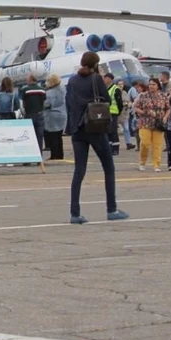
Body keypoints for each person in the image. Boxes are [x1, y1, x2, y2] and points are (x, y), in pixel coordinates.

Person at [65, 52, 128, 224]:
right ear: (95, 64)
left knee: (79, 170)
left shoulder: (72, 80)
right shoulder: (96, 79)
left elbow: (68, 103)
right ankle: (111, 208)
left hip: (77, 129)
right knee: (108, 167)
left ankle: (75, 213)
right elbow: (106, 99)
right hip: (94, 127)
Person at [134, 77, 170, 172]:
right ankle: (142, 162)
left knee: (157, 145)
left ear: (158, 86)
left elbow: (168, 108)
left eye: (153, 84)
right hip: (145, 122)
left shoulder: (163, 96)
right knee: (145, 143)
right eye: (150, 84)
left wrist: (165, 117)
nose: (151, 86)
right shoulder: (143, 95)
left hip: (158, 123)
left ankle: (156, 165)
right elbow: (136, 107)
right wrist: (142, 112)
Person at [19, 74, 47, 152]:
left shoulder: (25, 90)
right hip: (40, 114)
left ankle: (29, 156)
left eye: (27, 79)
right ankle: (39, 157)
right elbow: (44, 101)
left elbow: (22, 103)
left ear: (30, 80)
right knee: (39, 137)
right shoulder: (42, 90)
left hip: (29, 114)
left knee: (28, 137)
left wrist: (23, 113)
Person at [43, 74, 67, 160]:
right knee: (59, 136)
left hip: (52, 115)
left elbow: (47, 104)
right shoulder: (63, 89)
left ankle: (54, 155)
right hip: (62, 114)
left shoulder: (50, 93)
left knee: (53, 136)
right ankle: (60, 155)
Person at [102, 73, 123, 155]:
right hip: (105, 113)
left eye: (105, 78)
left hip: (113, 113)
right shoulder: (104, 88)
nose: (104, 80)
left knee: (113, 131)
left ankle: (115, 148)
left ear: (110, 79)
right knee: (107, 131)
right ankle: (109, 148)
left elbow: (119, 103)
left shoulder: (116, 89)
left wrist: (118, 112)